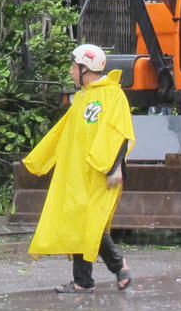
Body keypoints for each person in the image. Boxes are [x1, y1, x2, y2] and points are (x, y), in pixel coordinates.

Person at [23, 43, 135, 294]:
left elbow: (121, 134)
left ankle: (115, 267)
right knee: (79, 223)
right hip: (78, 174)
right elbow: (62, 133)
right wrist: (41, 159)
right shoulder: (84, 96)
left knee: (90, 224)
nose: (71, 71)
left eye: (74, 66)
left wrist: (115, 168)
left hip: (101, 172)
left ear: (87, 69)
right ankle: (85, 280)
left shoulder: (112, 95)